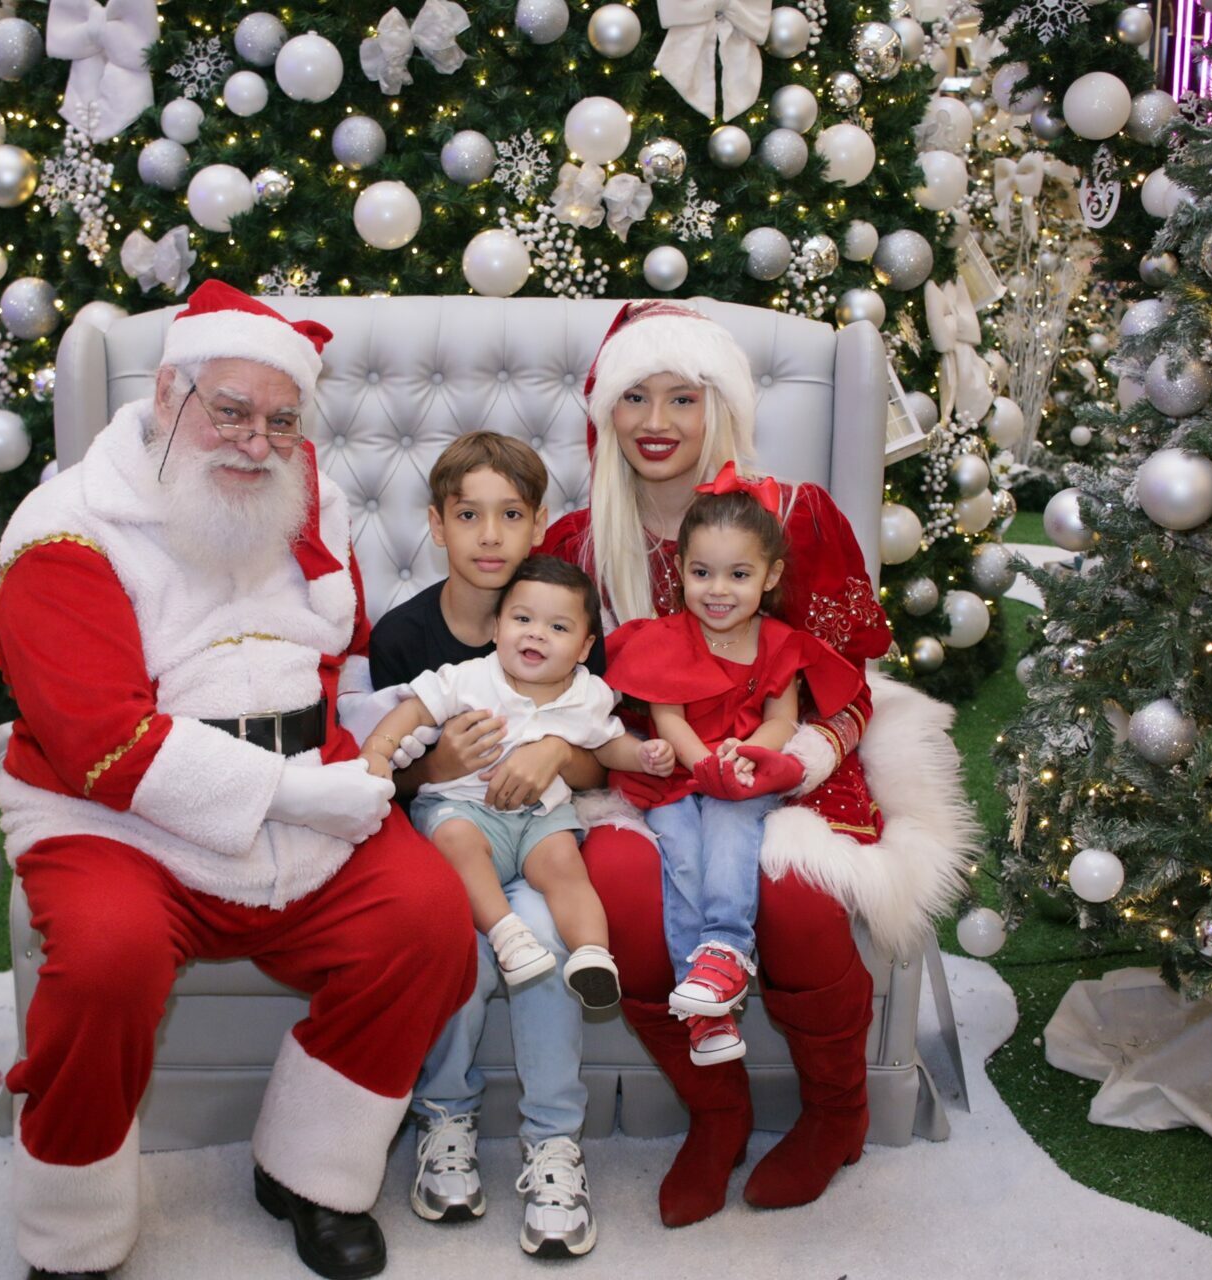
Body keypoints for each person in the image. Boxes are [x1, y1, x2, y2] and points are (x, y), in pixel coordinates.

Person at [0, 280, 476, 1280]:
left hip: (305, 794)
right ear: (170, 394)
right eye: (231, 411)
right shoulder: (65, 528)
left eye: (282, 420)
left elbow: (335, 657)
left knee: (427, 924)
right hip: (114, 820)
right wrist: (290, 794)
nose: (258, 443)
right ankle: (72, 1235)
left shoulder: (309, 497)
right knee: (106, 960)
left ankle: (311, 1170)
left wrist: (386, 733)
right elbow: (100, 742)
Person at [540, 299, 905, 1228]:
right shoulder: (578, 543)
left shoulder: (795, 518)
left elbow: (849, 686)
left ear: (721, 406)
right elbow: (554, 689)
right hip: (648, 777)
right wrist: (598, 752)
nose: (655, 422)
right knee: (622, 897)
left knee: (794, 892)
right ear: (606, 414)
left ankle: (837, 1113)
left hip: (784, 766)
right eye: (634, 398)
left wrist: (797, 758)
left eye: (682, 397)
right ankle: (718, 1113)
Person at [354, 434, 613, 1257]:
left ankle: (554, 1143)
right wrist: (438, 764)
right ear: (438, 525)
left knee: (545, 939)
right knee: (457, 940)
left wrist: (553, 753)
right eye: (470, 516)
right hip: (447, 833)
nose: (491, 536)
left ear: (538, 524)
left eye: (510, 516)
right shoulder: (404, 637)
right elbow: (387, 774)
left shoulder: (565, 618)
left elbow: (597, 757)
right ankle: (445, 1121)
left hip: (540, 832)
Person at [602, 467, 865, 1069]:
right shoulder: (663, 640)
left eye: (739, 575)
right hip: (676, 777)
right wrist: (702, 764)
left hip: (742, 777)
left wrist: (744, 759)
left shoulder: (778, 642)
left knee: (729, 831)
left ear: (770, 577)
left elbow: (782, 719)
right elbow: (667, 718)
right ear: (681, 571)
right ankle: (702, 1005)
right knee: (682, 860)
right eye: (702, 573)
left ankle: (725, 946)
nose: (717, 590)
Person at [362, 555, 666, 1001]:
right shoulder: (469, 678)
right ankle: (507, 934)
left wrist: (642, 754)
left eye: (558, 627)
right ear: (496, 627)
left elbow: (607, 745)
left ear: (584, 648)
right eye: (522, 619)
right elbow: (414, 710)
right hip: (465, 808)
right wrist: (377, 749)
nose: (536, 633)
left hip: (541, 818)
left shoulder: (589, 693)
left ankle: (592, 955)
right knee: (456, 841)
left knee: (565, 867)